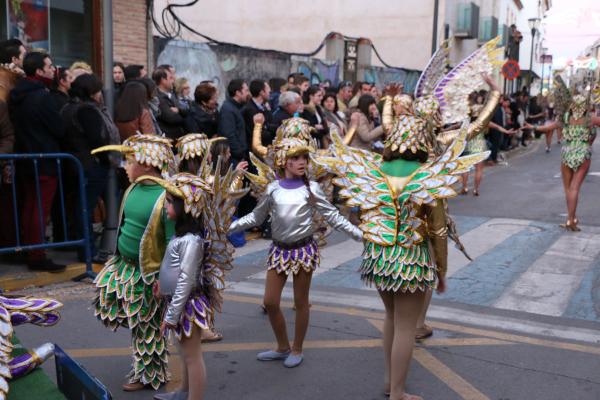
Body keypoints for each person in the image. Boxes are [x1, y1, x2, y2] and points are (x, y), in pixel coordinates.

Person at [318, 88, 489, 400]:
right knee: (407, 327)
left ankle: (389, 383)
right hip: (411, 258)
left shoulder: (376, 170)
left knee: (391, 318)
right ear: (421, 141)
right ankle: (397, 391)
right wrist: (442, 271)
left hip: (379, 256)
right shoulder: (426, 176)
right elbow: (438, 232)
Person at [229, 137, 362, 368]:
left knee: (301, 302)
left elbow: (334, 217)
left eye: (304, 158)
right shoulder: (273, 189)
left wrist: (361, 236)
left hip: (303, 251)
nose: (302, 162)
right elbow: (256, 218)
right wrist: (228, 227)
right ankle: (282, 346)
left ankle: (297, 348)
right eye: (295, 158)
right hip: (279, 251)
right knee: (270, 302)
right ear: (284, 161)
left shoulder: (312, 188)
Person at [148, 165, 244, 400]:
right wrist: (162, 287)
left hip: (188, 306)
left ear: (185, 207)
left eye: (170, 202)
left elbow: (186, 279)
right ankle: (183, 392)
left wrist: (171, 317)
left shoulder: (192, 240)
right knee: (184, 353)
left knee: (192, 357)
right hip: (179, 302)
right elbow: (173, 269)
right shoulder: (180, 234)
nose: (166, 206)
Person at [92, 134, 175, 391]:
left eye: (129, 161)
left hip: (149, 274)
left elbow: (173, 243)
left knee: (146, 324)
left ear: (148, 164)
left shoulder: (166, 196)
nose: (125, 167)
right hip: (125, 266)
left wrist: (165, 279)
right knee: (134, 319)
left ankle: (150, 374)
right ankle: (146, 366)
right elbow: (125, 226)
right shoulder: (132, 188)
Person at [9, 51, 65, 272]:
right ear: (39, 71)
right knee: (39, 209)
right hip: (44, 159)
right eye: (50, 67)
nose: (53, 70)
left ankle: (30, 248)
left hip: (26, 158)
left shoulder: (18, 94)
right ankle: (37, 253)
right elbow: (58, 128)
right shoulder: (42, 96)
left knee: (30, 207)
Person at [60, 74, 118, 260]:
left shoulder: (68, 107)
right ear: (92, 92)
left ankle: (86, 250)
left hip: (76, 164)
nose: (101, 94)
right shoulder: (87, 110)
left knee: (81, 207)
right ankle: (88, 252)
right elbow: (97, 140)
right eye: (98, 90)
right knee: (85, 208)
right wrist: (106, 159)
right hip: (90, 165)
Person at [527, 93, 600, 231]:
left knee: (568, 188)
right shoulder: (591, 119)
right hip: (583, 153)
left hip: (567, 153)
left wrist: (532, 127)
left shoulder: (565, 118)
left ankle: (570, 219)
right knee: (575, 188)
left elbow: (548, 128)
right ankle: (571, 220)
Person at [219, 79, 249, 164]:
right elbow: (229, 135)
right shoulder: (228, 110)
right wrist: (240, 154)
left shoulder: (236, 107)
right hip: (234, 159)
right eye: (246, 90)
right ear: (238, 93)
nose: (248, 93)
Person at [153, 67, 185, 140]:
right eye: (170, 78)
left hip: (178, 138)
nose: (173, 80)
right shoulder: (157, 98)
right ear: (163, 80)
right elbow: (172, 118)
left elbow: (186, 109)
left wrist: (179, 111)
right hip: (168, 140)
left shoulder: (173, 94)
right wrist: (184, 115)